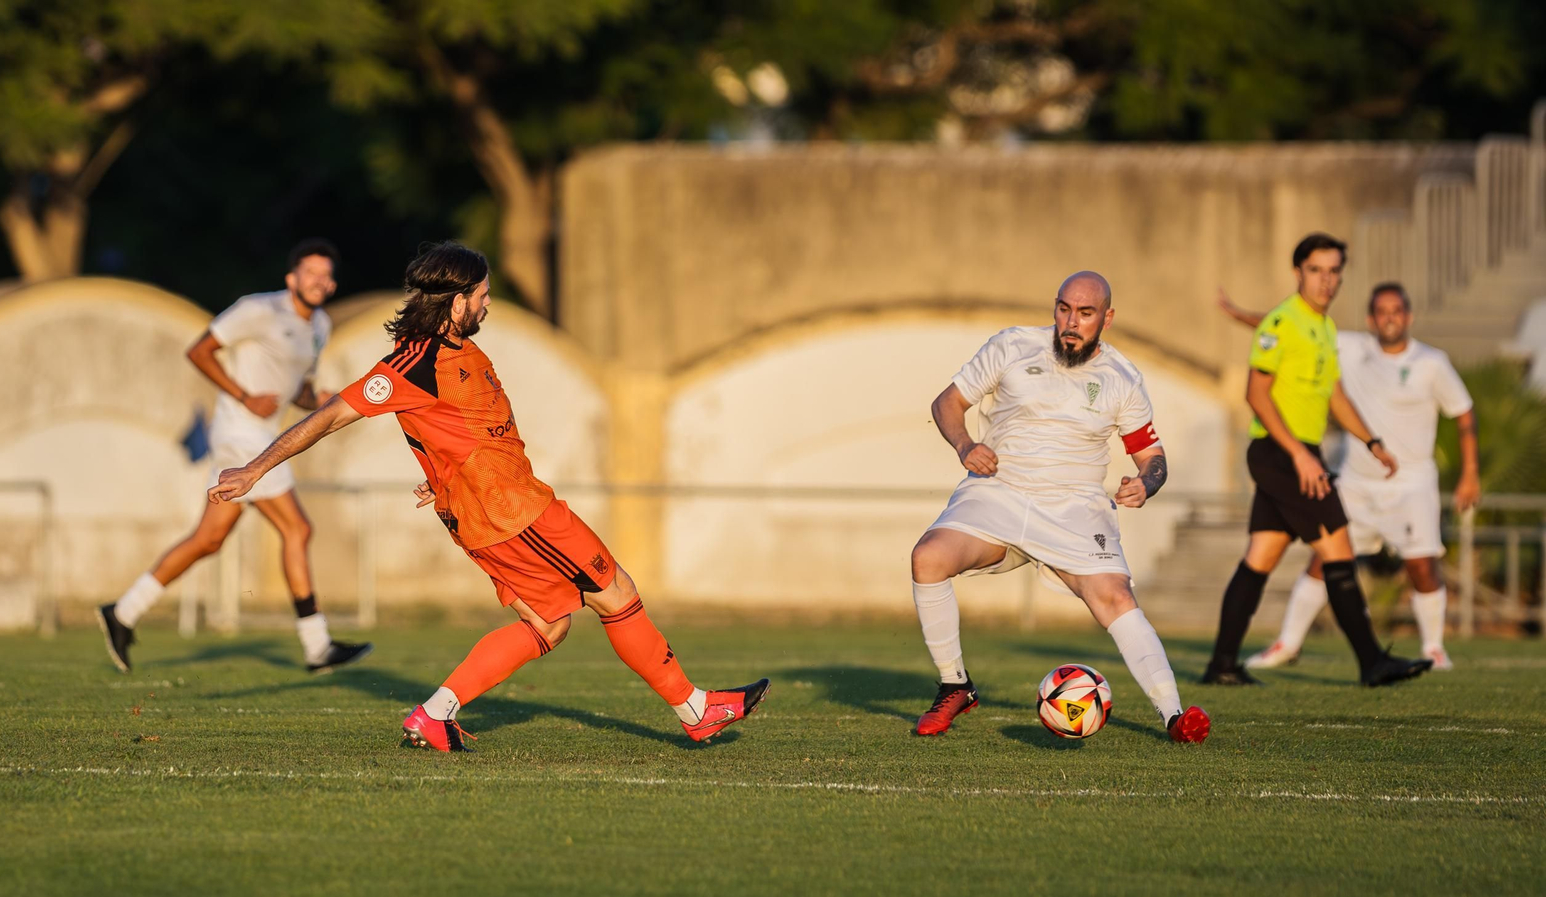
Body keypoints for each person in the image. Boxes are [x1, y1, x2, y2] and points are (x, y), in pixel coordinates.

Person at [209, 241, 769, 751]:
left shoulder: (456, 352)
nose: (488, 304)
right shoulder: (415, 360)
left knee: (548, 626)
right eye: (481, 295)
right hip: (516, 514)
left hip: (500, 508)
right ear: (455, 302)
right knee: (616, 592)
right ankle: (697, 709)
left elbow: (454, 427)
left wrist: (445, 472)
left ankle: (434, 714)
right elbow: (330, 417)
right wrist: (256, 468)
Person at [908, 271, 1210, 744]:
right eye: (1064, 308)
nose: (1071, 322)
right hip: (999, 492)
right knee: (928, 558)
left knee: (1115, 599)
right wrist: (966, 445)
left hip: (1076, 508)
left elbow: (1153, 459)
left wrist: (1146, 485)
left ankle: (1175, 716)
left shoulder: (1122, 378)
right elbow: (948, 403)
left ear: (1107, 318)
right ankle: (955, 685)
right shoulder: (1012, 346)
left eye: (1085, 313)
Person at [96, 239, 371, 674]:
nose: (318, 281)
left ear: (333, 284)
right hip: (238, 435)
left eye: (325, 275)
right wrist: (243, 395)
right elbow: (198, 351)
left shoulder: (320, 326)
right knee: (297, 528)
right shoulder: (258, 309)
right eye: (310, 272)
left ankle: (123, 612)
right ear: (291, 278)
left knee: (209, 539)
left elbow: (294, 387)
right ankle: (317, 645)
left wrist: (318, 399)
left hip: (264, 434)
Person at [1203, 233, 1432, 687]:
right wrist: (1301, 457)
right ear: (1298, 273)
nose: (1326, 280)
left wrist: (1371, 441)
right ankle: (1372, 663)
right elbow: (1256, 394)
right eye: (1316, 270)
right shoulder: (1281, 322)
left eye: (1333, 271)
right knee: (1338, 550)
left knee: (1260, 557)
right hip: (1280, 451)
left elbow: (1336, 396)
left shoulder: (1324, 328)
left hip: (1295, 453)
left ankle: (1222, 665)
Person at [1216, 282, 1479, 670]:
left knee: (1421, 564)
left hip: (1411, 482)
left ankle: (1433, 648)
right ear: (1371, 318)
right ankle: (1288, 644)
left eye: (1397, 311)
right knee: (1324, 559)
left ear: (1408, 316)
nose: (1389, 318)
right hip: (1355, 479)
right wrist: (1239, 314)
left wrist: (1470, 472)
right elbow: (1282, 331)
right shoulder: (1350, 347)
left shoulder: (1432, 362)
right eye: (1381, 311)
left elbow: (1463, 412)